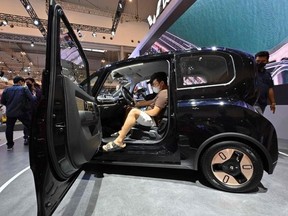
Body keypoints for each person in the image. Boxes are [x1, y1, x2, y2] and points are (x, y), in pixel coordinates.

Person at [102, 72, 168, 152]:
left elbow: (155, 112)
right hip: (151, 117)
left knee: (133, 112)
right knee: (129, 109)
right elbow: (150, 102)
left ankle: (119, 141)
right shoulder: (161, 93)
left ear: (161, 83)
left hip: (153, 121)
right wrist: (136, 103)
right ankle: (124, 132)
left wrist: (138, 111)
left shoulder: (163, 93)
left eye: (154, 84)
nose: (153, 86)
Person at [1, 76, 36, 150]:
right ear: (20, 81)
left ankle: (9, 145)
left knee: (9, 128)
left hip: (10, 112)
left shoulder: (6, 90)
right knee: (30, 126)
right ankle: (33, 140)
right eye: (23, 82)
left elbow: (2, 101)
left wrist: (10, 105)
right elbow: (32, 99)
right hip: (22, 112)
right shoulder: (24, 89)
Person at [23, 78, 42, 145]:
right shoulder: (24, 90)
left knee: (35, 124)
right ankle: (27, 138)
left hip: (37, 110)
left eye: (29, 82)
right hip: (28, 110)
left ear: (33, 82)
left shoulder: (38, 90)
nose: (27, 83)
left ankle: (35, 137)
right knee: (27, 125)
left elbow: (40, 99)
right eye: (26, 82)